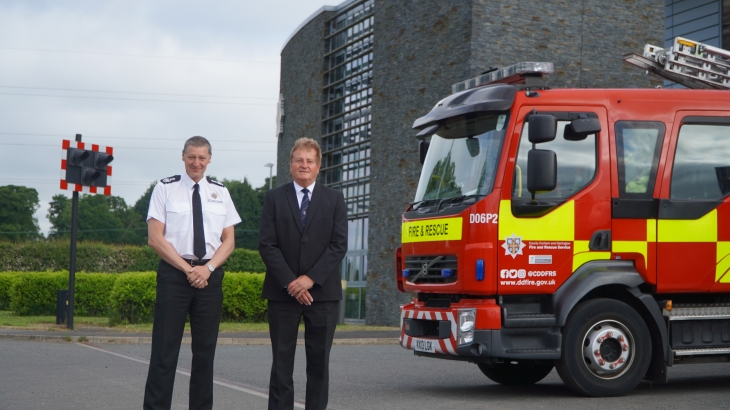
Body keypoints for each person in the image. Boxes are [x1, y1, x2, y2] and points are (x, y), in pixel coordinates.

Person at [143, 136, 241, 410]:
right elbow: (155, 238)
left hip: (209, 278)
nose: (196, 162)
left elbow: (229, 241)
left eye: (202, 157)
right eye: (191, 157)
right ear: (183, 157)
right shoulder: (165, 189)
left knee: (205, 355)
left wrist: (207, 269)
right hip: (175, 276)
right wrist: (189, 269)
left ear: (210, 159)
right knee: (164, 353)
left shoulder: (221, 192)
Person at [259, 137, 348, 410]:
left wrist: (309, 280)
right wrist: (291, 282)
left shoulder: (334, 199)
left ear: (318, 166)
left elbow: (339, 244)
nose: (304, 165)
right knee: (281, 364)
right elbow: (267, 244)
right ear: (290, 165)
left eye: (309, 161)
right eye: (299, 160)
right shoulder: (275, 198)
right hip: (282, 293)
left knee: (319, 365)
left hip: (322, 295)